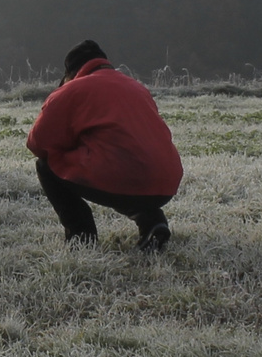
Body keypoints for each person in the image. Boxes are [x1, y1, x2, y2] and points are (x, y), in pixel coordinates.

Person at [25, 40, 184, 250]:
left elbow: (38, 143)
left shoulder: (71, 90)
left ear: (71, 72)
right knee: (124, 166)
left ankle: (81, 237)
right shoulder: (136, 86)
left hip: (121, 178)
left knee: (46, 166)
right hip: (166, 183)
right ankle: (153, 222)